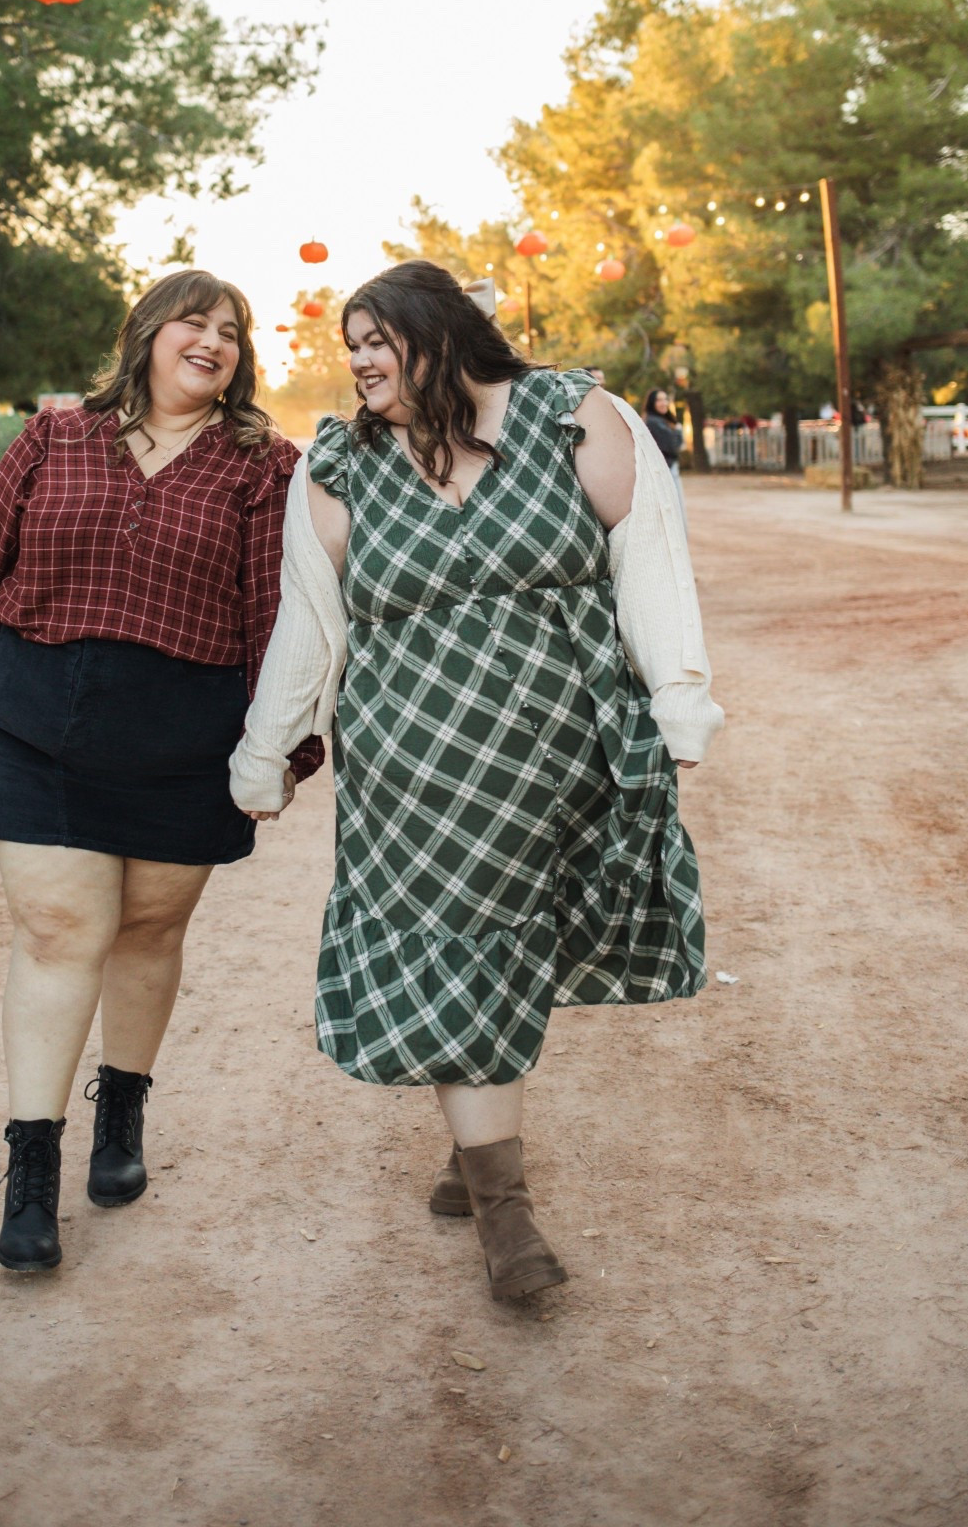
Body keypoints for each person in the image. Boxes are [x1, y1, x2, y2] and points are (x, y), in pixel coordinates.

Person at [231, 261, 721, 1303]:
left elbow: (650, 560)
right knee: (456, 949)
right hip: (414, 771)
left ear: (441, 334)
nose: (360, 362)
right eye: (351, 346)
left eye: (378, 340)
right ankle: (507, 1217)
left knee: (517, 949)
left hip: (563, 750)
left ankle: (470, 1147)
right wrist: (264, 752)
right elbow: (308, 623)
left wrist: (679, 699)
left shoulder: (572, 420)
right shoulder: (339, 467)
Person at [0, 271, 321, 1272]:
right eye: (194, 321)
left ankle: (123, 1109)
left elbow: (276, 613)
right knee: (59, 932)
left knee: (147, 929)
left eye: (231, 332)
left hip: (186, 735)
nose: (213, 341)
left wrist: (279, 750)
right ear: (146, 331)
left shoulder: (262, 465)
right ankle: (31, 1170)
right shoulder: (52, 438)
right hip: (39, 719)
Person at [643, 387, 688, 530]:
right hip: (666, 470)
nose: (663, 403)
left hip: (668, 469)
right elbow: (673, 446)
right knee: (676, 510)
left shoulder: (661, 420)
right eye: (659, 400)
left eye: (665, 399)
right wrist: (678, 431)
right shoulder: (653, 422)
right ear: (652, 403)